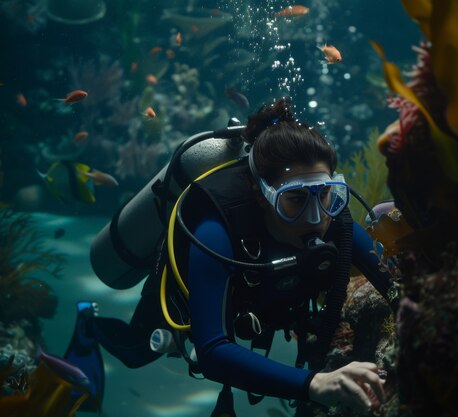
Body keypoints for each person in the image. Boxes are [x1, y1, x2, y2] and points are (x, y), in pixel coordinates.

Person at [64, 97, 398, 416]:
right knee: (138, 352)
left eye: (326, 194)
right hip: (199, 295)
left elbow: (394, 282)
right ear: (261, 194)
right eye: (293, 200)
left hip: (264, 302)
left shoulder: (331, 213)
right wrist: (316, 383)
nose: (315, 217)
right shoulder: (217, 224)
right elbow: (212, 352)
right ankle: (88, 324)